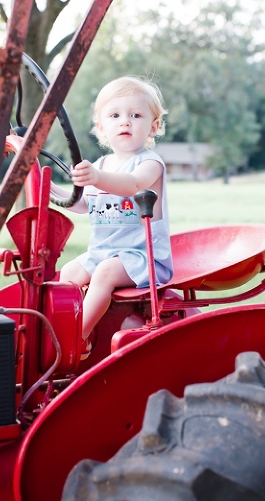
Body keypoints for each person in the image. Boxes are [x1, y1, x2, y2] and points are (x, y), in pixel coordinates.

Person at [51, 77, 174, 353]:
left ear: (153, 126)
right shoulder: (101, 165)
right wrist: (46, 184)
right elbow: (82, 204)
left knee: (105, 272)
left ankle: (75, 339)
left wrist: (95, 177)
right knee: (69, 271)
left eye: (136, 115)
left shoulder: (150, 163)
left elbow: (131, 184)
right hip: (104, 253)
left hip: (143, 257)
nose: (125, 122)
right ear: (101, 126)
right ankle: (55, 329)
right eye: (115, 115)